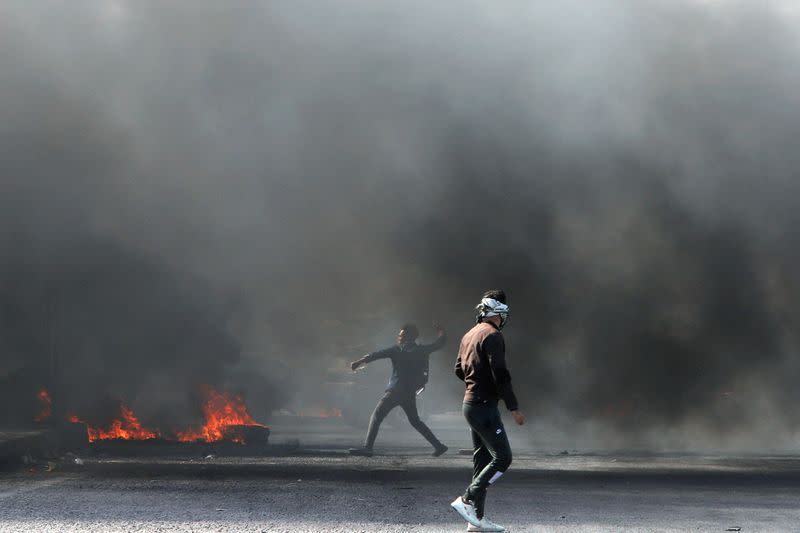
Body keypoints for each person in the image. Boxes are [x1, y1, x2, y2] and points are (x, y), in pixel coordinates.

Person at [450, 290, 525, 533]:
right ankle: (467, 499)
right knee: (503, 458)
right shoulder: (493, 335)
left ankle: (476, 521)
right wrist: (513, 406)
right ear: (499, 313)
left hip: (470, 404)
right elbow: (500, 373)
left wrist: (475, 382)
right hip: (483, 406)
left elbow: (458, 370)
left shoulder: (469, 334)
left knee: (482, 459)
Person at [348, 323, 449, 457]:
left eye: (401, 335)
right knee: (415, 421)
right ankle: (439, 446)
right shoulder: (422, 350)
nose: (398, 337)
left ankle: (368, 448)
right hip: (409, 393)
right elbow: (439, 343)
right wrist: (441, 331)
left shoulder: (397, 350)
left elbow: (375, 355)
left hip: (395, 392)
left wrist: (358, 362)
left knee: (377, 415)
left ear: (408, 337)